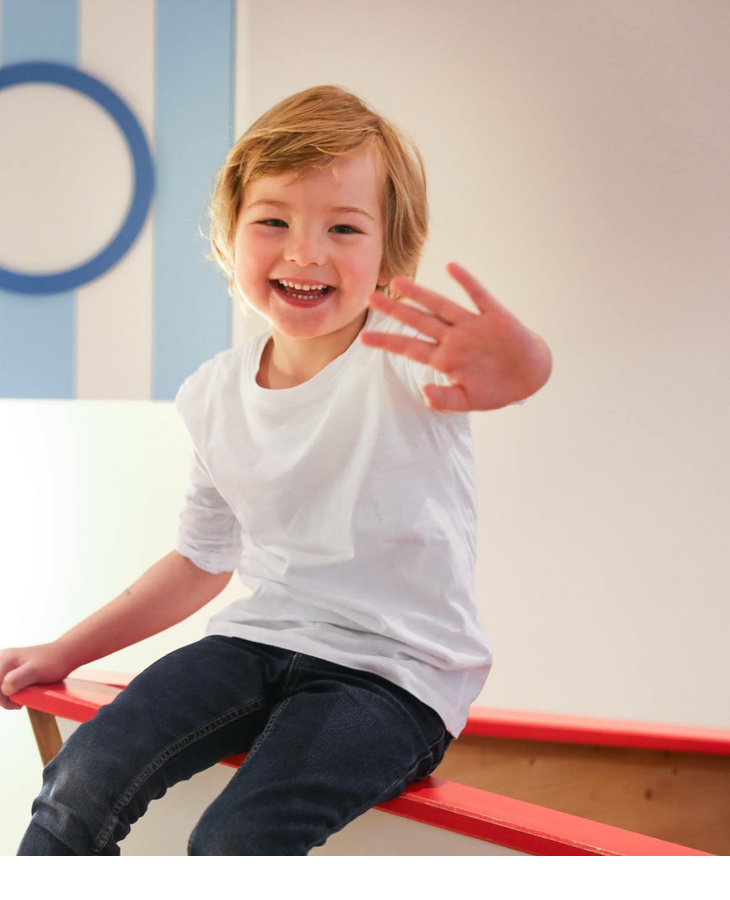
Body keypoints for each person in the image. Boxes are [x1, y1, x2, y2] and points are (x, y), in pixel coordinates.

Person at [3, 85, 551, 855]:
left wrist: (520, 363)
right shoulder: (213, 393)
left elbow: (520, 375)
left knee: (235, 841)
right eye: (273, 222)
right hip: (256, 645)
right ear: (229, 237)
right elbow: (202, 559)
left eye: (344, 227)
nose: (305, 251)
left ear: (389, 253)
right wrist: (66, 651)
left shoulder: (403, 360)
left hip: (394, 677)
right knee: (79, 782)